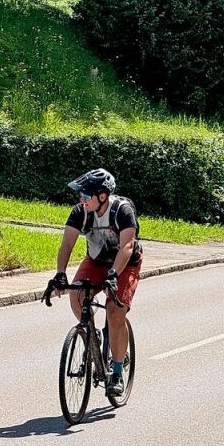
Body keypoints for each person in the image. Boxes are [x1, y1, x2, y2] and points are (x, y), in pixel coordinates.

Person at [49, 169, 142, 398]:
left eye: (86, 195)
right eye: (81, 195)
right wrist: (60, 274)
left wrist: (113, 274)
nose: (81, 199)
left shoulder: (122, 211)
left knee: (114, 310)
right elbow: (67, 244)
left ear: (102, 195)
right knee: (77, 295)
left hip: (125, 263)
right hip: (96, 260)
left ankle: (117, 371)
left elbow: (127, 247)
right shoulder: (81, 212)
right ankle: (92, 334)